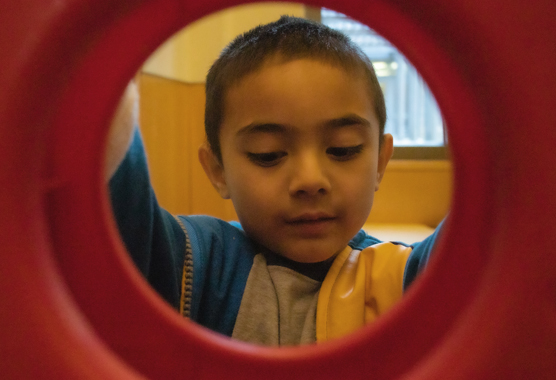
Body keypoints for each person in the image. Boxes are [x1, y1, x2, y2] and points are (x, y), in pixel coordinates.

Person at [108, 16, 439, 346]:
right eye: (268, 154)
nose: (310, 180)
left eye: (342, 149)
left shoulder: (398, 278)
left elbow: (482, 237)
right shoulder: (204, 262)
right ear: (218, 171)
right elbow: (122, 208)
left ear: (380, 161)